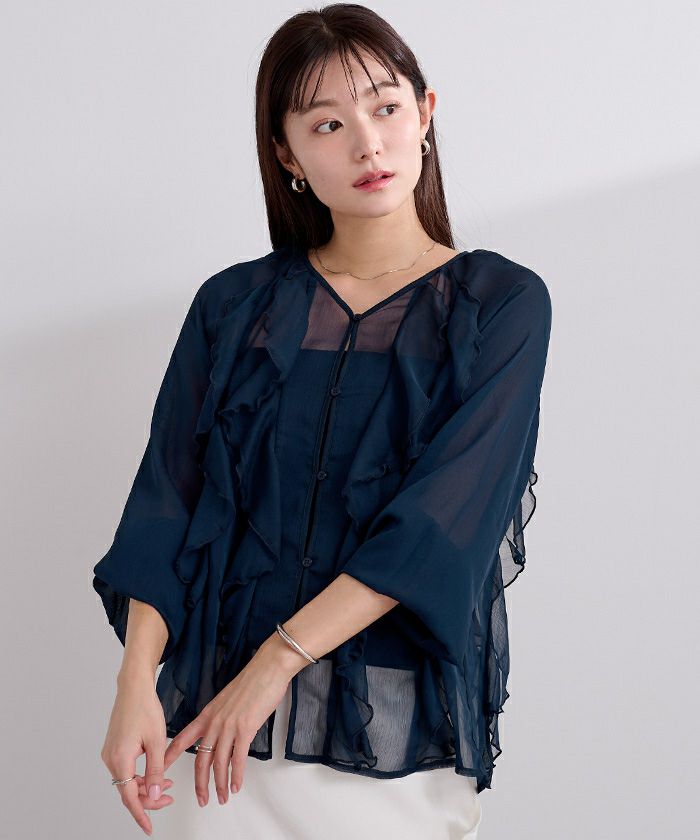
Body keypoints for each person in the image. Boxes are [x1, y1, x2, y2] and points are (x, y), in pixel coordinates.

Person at [93, 5, 552, 839]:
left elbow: (437, 530)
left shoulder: (500, 304)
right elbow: (166, 505)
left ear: (426, 113)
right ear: (287, 153)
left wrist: (275, 664)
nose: (367, 144)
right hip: (216, 741)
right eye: (328, 124)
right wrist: (133, 689)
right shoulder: (233, 306)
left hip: (387, 735)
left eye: (385, 107)